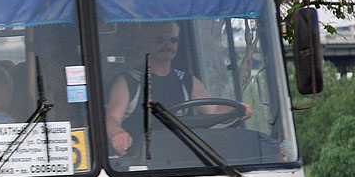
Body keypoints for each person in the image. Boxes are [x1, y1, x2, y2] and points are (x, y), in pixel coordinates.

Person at [106, 21, 249, 156]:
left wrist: (236, 110)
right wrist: (117, 133)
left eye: (173, 40)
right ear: (145, 43)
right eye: (161, 40)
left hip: (181, 161)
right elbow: (112, 117)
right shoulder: (129, 81)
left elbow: (213, 111)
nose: (168, 45)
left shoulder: (188, 81)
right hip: (141, 163)